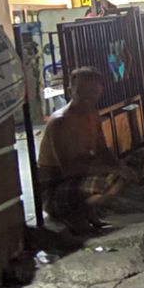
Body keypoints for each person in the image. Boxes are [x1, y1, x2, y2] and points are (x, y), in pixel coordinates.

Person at [37, 66, 118, 236]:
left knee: (121, 177)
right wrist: (107, 169)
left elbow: (102, 150)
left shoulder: (92, 115)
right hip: (55, 190)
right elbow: (68, 169)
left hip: (77, 179)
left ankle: (86, 212)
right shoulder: (60, 122)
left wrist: (120, 168)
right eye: (82, 92)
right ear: (71, 91)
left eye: (92, 92)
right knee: (104, 184)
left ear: (100, 92)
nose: (87, 98)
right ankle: (74, 215)